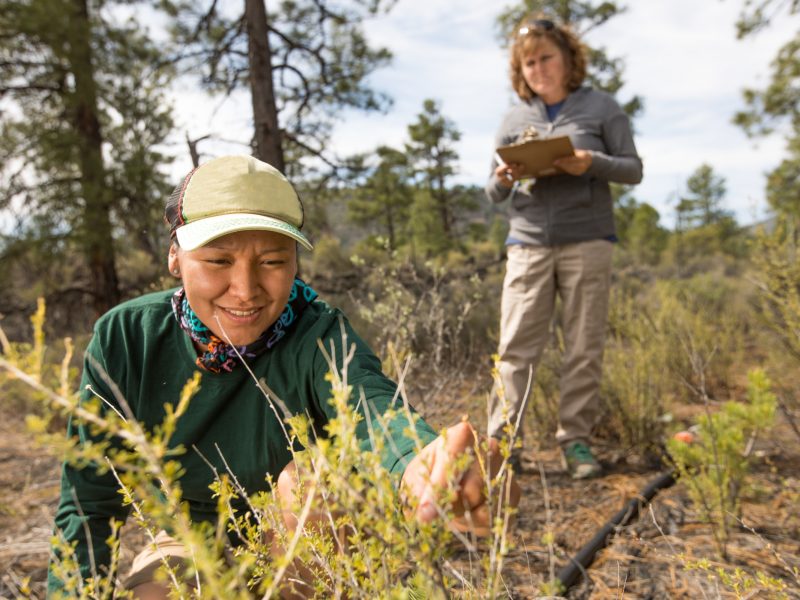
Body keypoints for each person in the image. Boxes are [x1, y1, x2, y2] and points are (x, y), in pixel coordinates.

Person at [48, 155, 519, 598]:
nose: (246, 289)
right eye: (218, 261)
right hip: (188, 543)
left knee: (315, 481)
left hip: (303, 545)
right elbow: (90, 501)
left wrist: (424, 465)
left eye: (273, 261)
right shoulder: (127, 338)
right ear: (176, 256)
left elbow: (374, 410)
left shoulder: (320, 333)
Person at [486, 17, 643, 479]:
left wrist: (589, 162)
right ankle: (502, 443)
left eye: (546, 57)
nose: (537, 68)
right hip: (529, 243)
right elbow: (492, 192)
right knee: (515, 347)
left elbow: (632, 169)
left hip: (588, 240)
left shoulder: (602, 108)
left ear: (568, 59)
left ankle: (575, 442)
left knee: (583, 346)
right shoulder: (514, 119)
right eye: (528, 62)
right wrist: (501, 178)